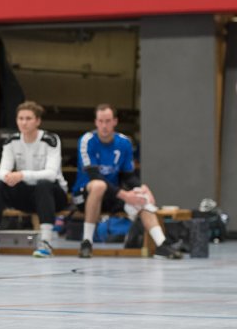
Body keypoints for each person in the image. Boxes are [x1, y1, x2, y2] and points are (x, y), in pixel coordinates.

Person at [74, 104, 183, 259]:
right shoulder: (87, 140)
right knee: (99, 185)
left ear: (115, 121)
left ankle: (162, 245)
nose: (104, 126)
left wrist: (142, 188)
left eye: (108, 121)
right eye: (101, 121)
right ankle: (86, 242)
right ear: (96, 122)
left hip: (112, 194)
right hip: (85, 195)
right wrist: (125, 195)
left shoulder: (124, 142)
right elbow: (94, 176)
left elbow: (128, 176)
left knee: (140, 196)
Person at [0, 101, 68, 258]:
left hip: (53, 196)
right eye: (20, 118)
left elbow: (51, 174)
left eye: (28, 118)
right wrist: (9, 177)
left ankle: (46, 243)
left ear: (37, 121)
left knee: (44, 184)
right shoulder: (11, 140)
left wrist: (22, 175)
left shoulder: (50, 139)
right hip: (26, 195)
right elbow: (2, 172)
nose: (24, 122)